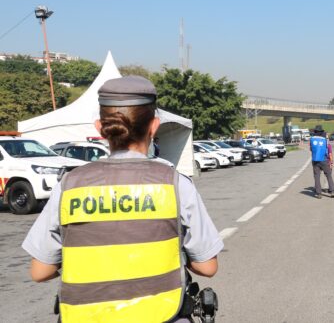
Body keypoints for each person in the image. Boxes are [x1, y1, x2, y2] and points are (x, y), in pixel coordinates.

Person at [22, 76, 223, 322]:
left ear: (100, 127)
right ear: (154, 126)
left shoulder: (69, 186)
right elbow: (207, 267)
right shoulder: (175, 183)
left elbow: (40, 271)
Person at [309, 125, 334, 199]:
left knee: (317, 176)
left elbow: (311, 149)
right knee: (328, 175)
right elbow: (328, 149)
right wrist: (331, 161)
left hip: (315, 160)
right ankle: (332, 191)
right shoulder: (325, 140)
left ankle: (318, 193)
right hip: (324, 159)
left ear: (315, 132)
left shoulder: (311, 139)